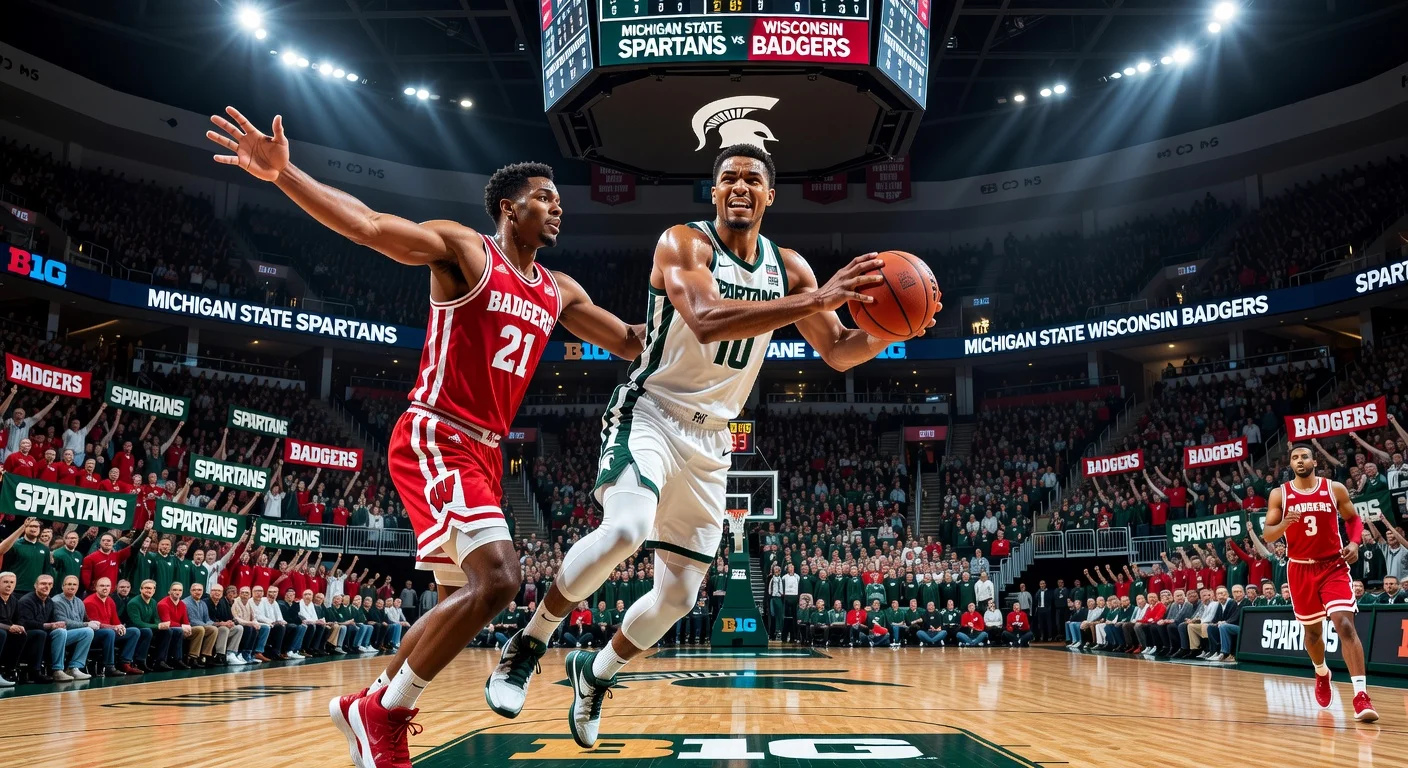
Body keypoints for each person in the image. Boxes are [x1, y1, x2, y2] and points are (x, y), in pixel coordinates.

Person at [205, 104, 647, 768]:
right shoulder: (466, 249)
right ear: (507, 205)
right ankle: (383, 715)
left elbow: (636, 343)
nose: (558, 210)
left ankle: (372, 701)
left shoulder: (559, 290)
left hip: (486, 453)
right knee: (500, 581)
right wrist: (284, 173)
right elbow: (368, 226)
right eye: (544, 199)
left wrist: (741, 319)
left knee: (463, 606)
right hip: (437, 435)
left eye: (560, 202)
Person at [504, 143, 938, 747]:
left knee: (679, 595)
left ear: (769, 195)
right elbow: (705, 318)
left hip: (712, 438)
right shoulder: (683, 243)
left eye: (751, 179)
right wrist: (815, 300)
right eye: (728, 177)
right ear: (713, 192)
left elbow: (838, 351)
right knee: (627, 528)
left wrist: (893, 329)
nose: (739, 186)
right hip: (652, 410)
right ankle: (530, 639)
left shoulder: (789, 269)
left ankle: (596, 673)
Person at [1260, 443, 1376, 721]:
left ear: (1314, 461)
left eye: (1305, 456)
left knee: (1344, 624)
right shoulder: (1280, 494)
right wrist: (1285, 525)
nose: (1300, 460)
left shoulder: (1334, 489)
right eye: (1295, 457)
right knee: (1313, 635)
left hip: (1333, 566)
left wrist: (1356, 543)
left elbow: (1353, 520)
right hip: (1300, 570)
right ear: (1291, 464)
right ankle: (1321, 671)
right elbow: (1268, 534)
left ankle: (1361, 696)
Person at [83, 576, 146, 676]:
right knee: (109, 632)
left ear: (111, 588)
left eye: (107, 586)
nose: (105, 588)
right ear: (96, 587)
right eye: (102, 586)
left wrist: (120, 626)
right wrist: (114, 627)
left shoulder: (110, 601)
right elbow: (96, 625)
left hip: (110, 632)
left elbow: (115, 620)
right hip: (95, 634)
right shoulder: (89, 602)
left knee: (135, 631)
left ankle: (125, 662)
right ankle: (109, 666)